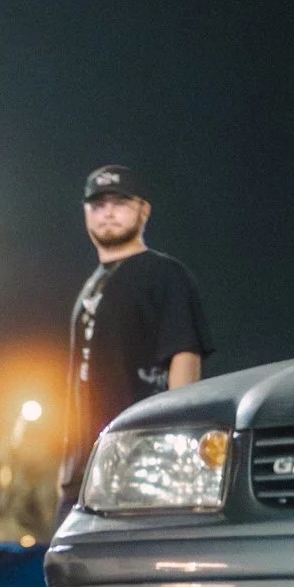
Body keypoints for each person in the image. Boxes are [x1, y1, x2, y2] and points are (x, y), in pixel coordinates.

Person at [58, 164, 213, 508]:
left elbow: (185, 359)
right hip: (83, 472)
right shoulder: (91, 286)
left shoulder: (165, 275)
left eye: (120, 202)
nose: (108, 212)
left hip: (141, 461)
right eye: (97, 205)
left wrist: (174, 450)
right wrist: (67, 466)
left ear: (144, 209)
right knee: (66, 562)